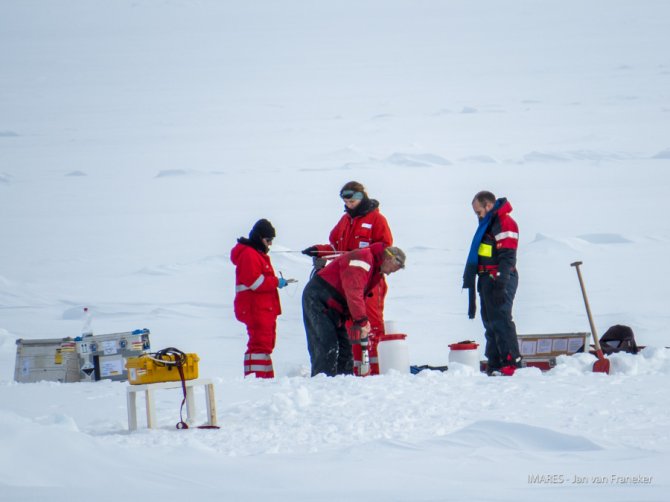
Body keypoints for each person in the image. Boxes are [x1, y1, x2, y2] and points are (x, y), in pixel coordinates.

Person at [301, 181, 393, 375]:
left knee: (370, 324)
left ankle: (374, 372)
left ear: (360, 198)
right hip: (347, 281)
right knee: (351, 327)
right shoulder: (345, 221)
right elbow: (335, 248)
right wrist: (320, 251)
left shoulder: (377, 220)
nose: (348, 204)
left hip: (369, 281)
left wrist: (362, 255)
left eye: (351, 201)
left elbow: (386, 250)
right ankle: (352, 371)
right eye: (345, 201)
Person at [302, 243, 406, 377]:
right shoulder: (363, 259)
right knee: (326, 345)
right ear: (389, 259)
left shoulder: (374, 268)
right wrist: (361, 320)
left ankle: (343, 383)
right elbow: (354, 291)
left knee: (345, 348)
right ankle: (323, 384)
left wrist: (359, 321)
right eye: (392, 270)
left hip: (337, 306)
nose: (389, 273)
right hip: (320, 299)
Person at [462, 191, 522, 376]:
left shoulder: (504, 222)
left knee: (501, 318)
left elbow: (508, 256)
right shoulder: (488, 224)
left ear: (488, 205)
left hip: (499, 277)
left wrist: (501, 282)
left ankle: (511, 360)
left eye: (478, 211)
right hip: (486, 278)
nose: (478, 216)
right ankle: (495, 361)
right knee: (489, 320)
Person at [230, 219, 291, 378]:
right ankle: (255, 380)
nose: (270, 244)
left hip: (263, 308)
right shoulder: (249, 255)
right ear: (259, 238)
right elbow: (255, 282)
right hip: (255, 309)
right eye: (268, 240)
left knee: (265, 344)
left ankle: (265, 379)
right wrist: (276, 282)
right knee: (259, 345)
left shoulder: (257, 255)